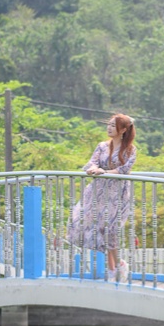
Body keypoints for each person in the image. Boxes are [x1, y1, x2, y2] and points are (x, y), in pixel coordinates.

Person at [67, 113, 137, 281]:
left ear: (123, 130)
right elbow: (93, 161)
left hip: (117, 192)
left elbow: (124, 169)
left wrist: (104, 171)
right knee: (90, 224)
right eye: (109, 125)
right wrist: (93, 168)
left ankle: (119, 264)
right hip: (98, 191)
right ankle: (112, 268)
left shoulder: (130, 149)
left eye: (113, 125)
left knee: (111, 229)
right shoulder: (102, 146)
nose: (109, 128)